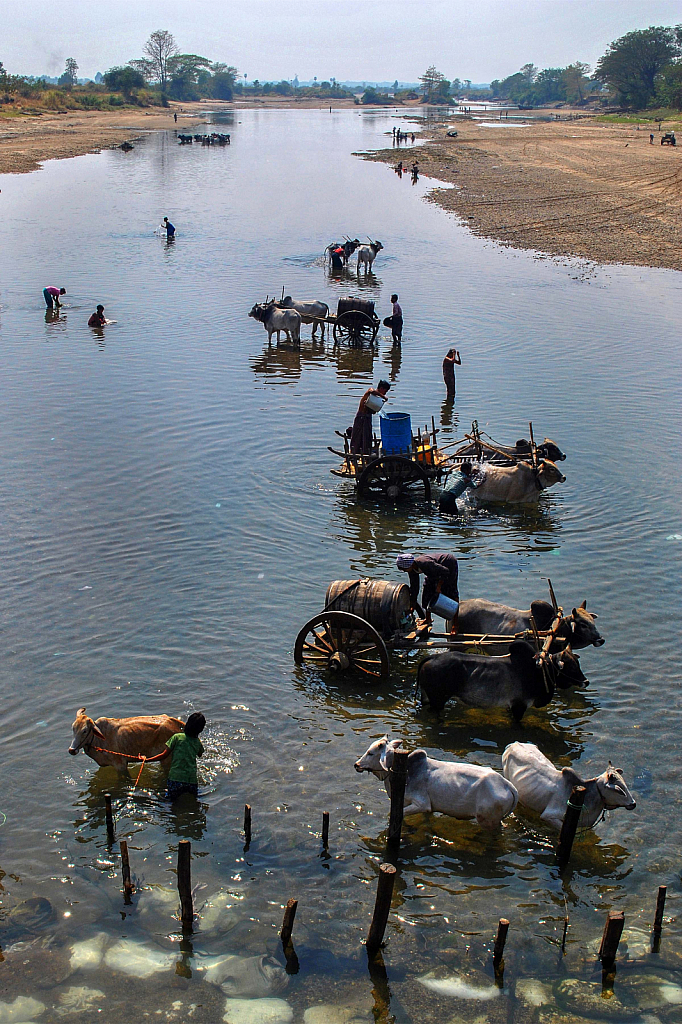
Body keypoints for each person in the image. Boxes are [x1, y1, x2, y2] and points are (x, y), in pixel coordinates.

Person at [145, 712, 206, 800]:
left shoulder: (176, 737)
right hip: (191, 781)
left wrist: (146, 760)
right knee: (192, 800)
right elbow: (200, 754)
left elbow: (163, 755)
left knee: (171, 801)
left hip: (175, 780)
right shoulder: (197, 742)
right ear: (200, 729)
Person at [396, 552, 459, 633]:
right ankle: (428, 619)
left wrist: (439, 586)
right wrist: (412, 606)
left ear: (410, 565)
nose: (404, 571)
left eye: (404, 569)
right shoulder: (412, 570)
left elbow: (445, 571)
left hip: (447, 563)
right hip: (433, 571)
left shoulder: (425, 563)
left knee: (451, 592)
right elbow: (414, 588)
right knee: (427, 590)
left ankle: (456, 625)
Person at [350, 380, 391, 454]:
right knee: (357, 435)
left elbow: (373, 411)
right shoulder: (370, 393)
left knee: (367, 436)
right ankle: (354, 452)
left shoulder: (377, 399)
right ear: (381, 388)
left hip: (367, 418)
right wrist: (383, 396)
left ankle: (365, 452)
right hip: (361, 417)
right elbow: (371, 390)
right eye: (385, 391)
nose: (385, 393)